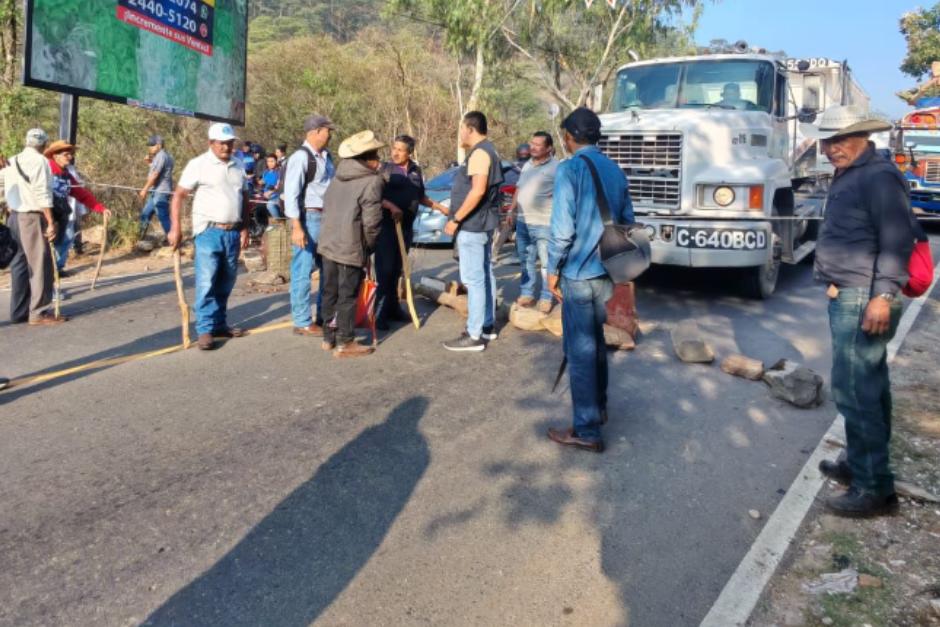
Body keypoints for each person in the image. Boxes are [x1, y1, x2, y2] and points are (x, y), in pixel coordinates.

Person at [807, 105, 914, 517]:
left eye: (841, 140)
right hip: (849, 292)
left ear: (864, 137)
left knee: (856, 390)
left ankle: (875, 489)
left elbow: (897, 239)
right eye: (829, 141)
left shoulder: (879, 176)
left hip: (863, 297)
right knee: (869, 385)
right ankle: (857, 465)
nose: (833, 148)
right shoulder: (851, 173)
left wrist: (882, 296)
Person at [546, 107, 634, 453]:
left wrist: (552, 269)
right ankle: (599, 409)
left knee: (580, 350)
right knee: (595, 343)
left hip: (579, 274)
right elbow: (627, 220)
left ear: (569, 138)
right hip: (606, 272)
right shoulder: (614, 169)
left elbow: (562, 229)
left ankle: (587, 430)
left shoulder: (569, 169)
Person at [168, 123, 249, 351]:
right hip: (208, 230)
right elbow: (179, 195)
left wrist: (244, 227)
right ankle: (204, 329)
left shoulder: (238, 164)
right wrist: (175, 227)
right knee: (207, 280)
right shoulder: (198, 164)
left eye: (230, 142)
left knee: (226, 280)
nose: (226, 147)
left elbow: (244, 197)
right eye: (221, 143)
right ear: (210, 143)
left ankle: (219, 323)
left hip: (232, 232)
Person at [439, 111, 504, 352]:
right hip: (483, 224)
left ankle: (474, 334)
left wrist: (456, 218)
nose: (460, 134)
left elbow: (477, 191)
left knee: (474, 279)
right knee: (485, 274)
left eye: (461, 129)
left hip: (473, 225)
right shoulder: (490, 150)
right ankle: (487, 325)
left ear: (470, 129)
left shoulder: (479, 154)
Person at [318, 130, 385, 357]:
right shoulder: (372, 182)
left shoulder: (337, 177)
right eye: (375, 154)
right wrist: (369, 247)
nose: (378, 159)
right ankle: (345, 341)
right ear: (367, 158)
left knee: (330, 291)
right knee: (347, 294)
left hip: (329, 242)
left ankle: (329, 336)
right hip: (350, 246)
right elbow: (372, 222)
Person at [374, 134, 446, 330]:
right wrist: (391, 207)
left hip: (405, 227)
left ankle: (393, 308)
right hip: (387, 227)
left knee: (398, 268)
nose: (395, 152)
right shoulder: (385, 169)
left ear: (409, 152)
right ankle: (379, 314)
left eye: (400, 149)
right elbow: (373, 196)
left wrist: (440, 207)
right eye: (394, 148)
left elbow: (420, 195)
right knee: (385, 270)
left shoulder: (416, 170)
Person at [3, 128, 64, 325]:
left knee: (19, 264)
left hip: (14, 217)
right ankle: (38, 312)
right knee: (39, 264)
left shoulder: (12, 160)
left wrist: (8, 205)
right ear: (45, 144)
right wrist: (50, 220)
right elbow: (42, 192)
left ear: (27, 142)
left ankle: (19, 312)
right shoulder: (41, 161)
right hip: (31, 217)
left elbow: (3, 187)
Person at [284, 114, 336, 337]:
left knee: (327, 270)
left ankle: (323, 316)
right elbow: (291, 194)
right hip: (308, 218)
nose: (330, 135)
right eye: (327, 131)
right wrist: (297, 226)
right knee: (302, 270)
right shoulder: (301, 157)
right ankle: (302, 320)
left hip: (326, 218)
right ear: (315, 132)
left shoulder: (327, 157)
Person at [44, 141, 111, 275]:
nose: (70, 157)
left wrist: (100, 208)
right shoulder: (46, 169)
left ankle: (55, 269)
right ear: (55, 156)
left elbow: (81, 193)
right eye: (66, 154)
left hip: (61, 213)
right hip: (46, 215)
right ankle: (45, 273)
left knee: (67, 238)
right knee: (45, 247)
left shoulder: (67, 174)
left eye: (71, 154)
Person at [510, 131, 558, 313]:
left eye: (538, 144)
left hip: (544, 223)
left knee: (547, 263)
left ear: (549, 149)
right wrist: (512, 210)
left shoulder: (557, 167)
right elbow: (519, 188)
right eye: (532, 143)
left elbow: (565, 191)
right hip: (523, 221)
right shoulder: (527, 165)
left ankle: (547, 297)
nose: (533, 147)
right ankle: (527, 293)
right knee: (526, 260)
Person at [138, 135, 174, 241]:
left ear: (158, 145)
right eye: (149, 145)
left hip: (161, 192)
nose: (149, 147)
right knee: (145, 214)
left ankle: (174, 240)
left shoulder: (161, 156)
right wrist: (150, 163)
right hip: (156, 191)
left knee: (163, 217)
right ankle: (138, 238)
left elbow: (155, 175)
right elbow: (160, 171)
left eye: (152, 145)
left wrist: (144, 189)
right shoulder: (165, 156)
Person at [260, 154, 281, 219]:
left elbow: (278, 186)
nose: (270, 163)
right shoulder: (266, 172)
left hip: (277, 196)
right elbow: (263, 183)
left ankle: (279, 223)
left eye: (272, 161)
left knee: (270, 205)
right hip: (266, 197)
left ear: (276, 161)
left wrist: (270, 192)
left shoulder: (279, 172)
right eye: (268, 161)